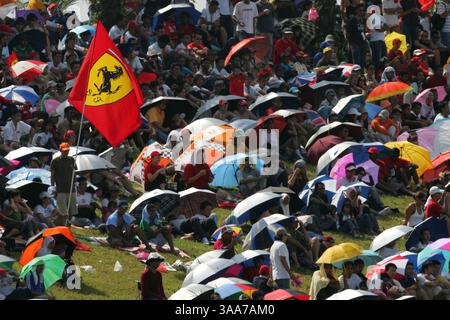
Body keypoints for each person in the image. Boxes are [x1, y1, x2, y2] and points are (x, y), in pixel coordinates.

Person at [50, 142, 77, 225]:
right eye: (64, 150)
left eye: (67, 150)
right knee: (63, 211)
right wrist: (53, 187)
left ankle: (66, 225)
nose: (66, 152)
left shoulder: (72, 159)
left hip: (71, 188)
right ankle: (64, 226)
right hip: (60, 189)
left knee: (72, 211)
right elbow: (52, 175)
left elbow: (74, 172)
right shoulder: (55, 161)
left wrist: (75, 182)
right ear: (60, 150)